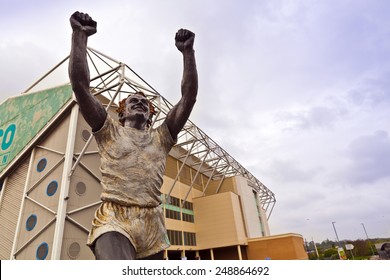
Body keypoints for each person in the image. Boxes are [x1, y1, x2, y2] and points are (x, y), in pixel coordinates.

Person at [68, 11, 198, 260]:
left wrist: (188, 54)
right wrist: (79, 37)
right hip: (114, 218)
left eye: (144, 103)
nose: (139, 103)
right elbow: (80, 85)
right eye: (132, 101)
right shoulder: (108, 131)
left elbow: (188, 98)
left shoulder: (162, 137)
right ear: (121, 113)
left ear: (151, 117)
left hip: (152, 224)